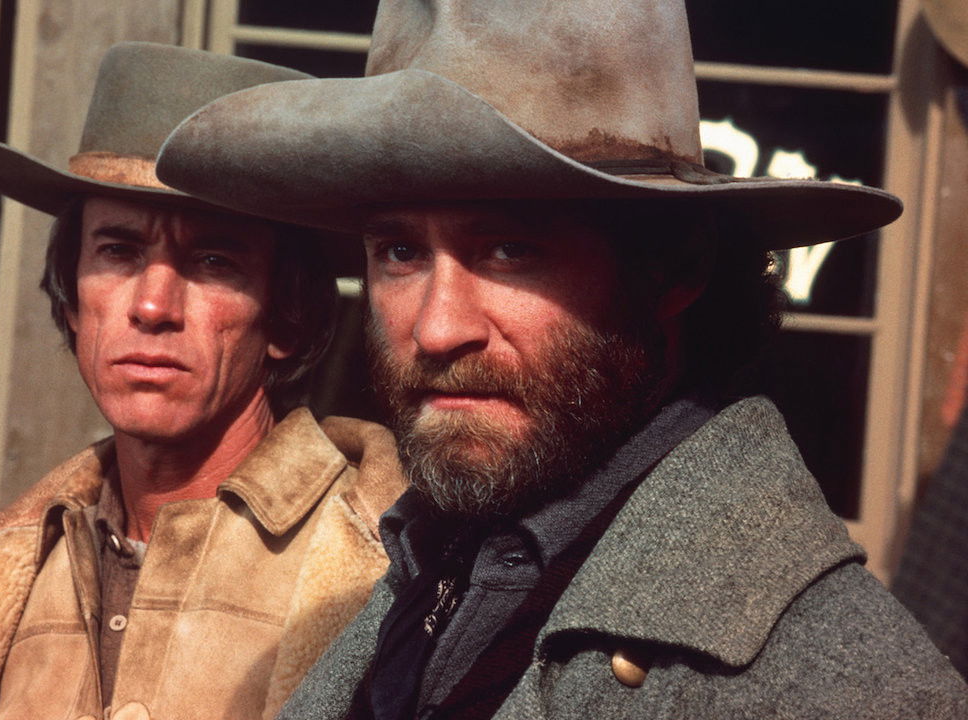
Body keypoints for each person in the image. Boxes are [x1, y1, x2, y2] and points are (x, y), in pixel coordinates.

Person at [156, 0, 968, 716]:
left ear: (673, 267)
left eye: (510, 249)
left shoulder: (843, 685)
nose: (437, 329)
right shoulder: (437, 556)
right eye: (400, 251)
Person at [0, 43, 406, 720]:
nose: (153, 306)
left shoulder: (381, 569)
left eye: (213, 260)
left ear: (287, 316)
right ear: (73, 304)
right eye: (118, 251)